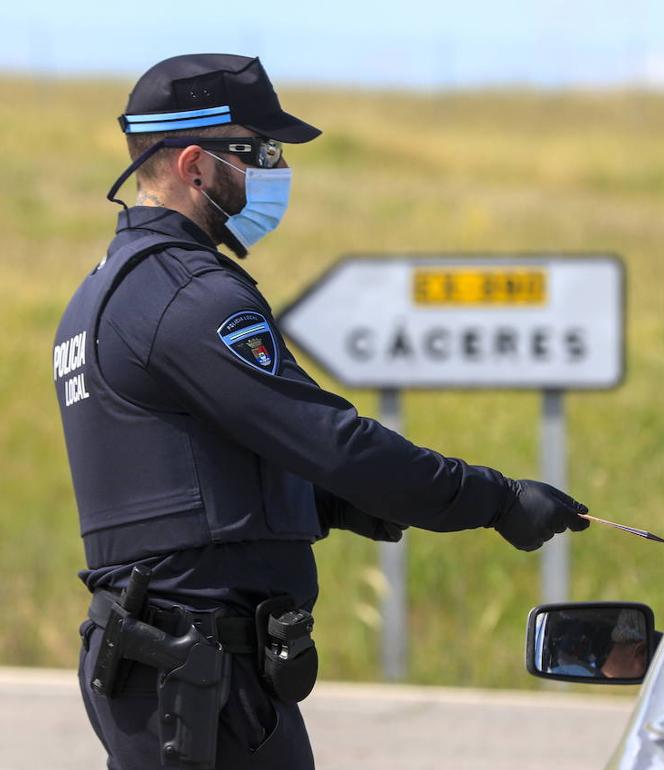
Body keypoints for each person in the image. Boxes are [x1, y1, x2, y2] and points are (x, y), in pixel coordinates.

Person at [52, 53, 591, 770]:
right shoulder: (190, 298)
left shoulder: (100, 297)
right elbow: (331, 440)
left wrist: (328, 503)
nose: (276, 170)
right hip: (201, 678)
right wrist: (495, 499)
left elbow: (188, 481)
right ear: (193, 163)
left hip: (165, 670)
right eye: (260, 151)